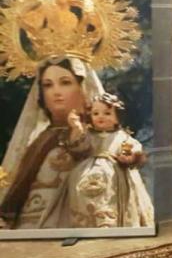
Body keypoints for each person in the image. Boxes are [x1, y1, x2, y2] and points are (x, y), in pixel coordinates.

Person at [0, 57, 99, 229]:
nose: (56, 91)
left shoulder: (100, 136)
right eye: (48, 85)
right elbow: (20, 184)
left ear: (83, 87)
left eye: (65, 82)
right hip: (31, 227)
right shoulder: (41, 139)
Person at [69, 92, 155, 228]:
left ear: (117, 118)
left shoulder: (122, 137)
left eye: (107, 113)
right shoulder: (88, 136)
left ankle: (113, 223)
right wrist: (76, 129)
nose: (101, 117)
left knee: (111, 199)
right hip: (87, 172)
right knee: (84, 196)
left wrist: (128, 157)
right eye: (95, 113)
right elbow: (78, 148)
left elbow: (129, 149)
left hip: (116, 175)